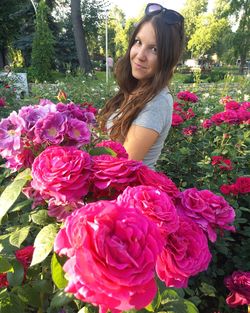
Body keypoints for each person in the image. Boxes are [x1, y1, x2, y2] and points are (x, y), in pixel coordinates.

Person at [98, 3, 184, 169]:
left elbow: (122, 167)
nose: (140, 55)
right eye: (138, 42)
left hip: (126, 190)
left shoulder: (156, 103)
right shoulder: (136, 88)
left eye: (154, 49)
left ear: (168, 57)